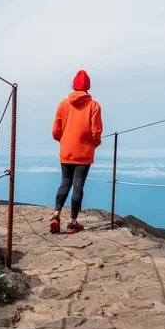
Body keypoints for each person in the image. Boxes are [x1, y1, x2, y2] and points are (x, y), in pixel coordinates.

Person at [50, 70, 103, 234]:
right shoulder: (93, 105)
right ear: (88, 87)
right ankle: (72, 222)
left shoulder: (63, 104)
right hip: (84, 153)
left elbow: (55, 131)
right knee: (78, 185)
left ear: (73, 85)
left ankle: (56, 215)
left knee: (65, 182)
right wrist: (93, 144)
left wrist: (65, 141)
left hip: (66, 151)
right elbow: (97, 131)